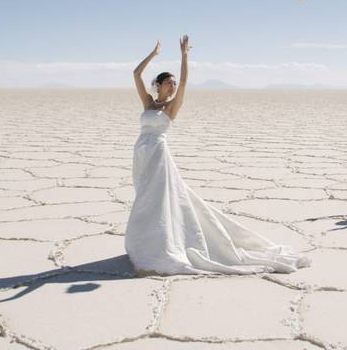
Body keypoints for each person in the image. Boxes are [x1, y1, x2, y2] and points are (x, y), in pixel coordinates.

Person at [124, 35, 311, 275]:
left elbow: (184, 85)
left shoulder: (171, 107)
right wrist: (153, 54)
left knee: (159, 201)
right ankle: (148, 244)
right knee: (145, 199)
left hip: (159, 157)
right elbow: (136, 74)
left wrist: (184, 56)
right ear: (158, 85)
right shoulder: (148, 103)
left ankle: (160, 249)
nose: (172, 86)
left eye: (173, 83)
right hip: (141, 153)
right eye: (168, 83)